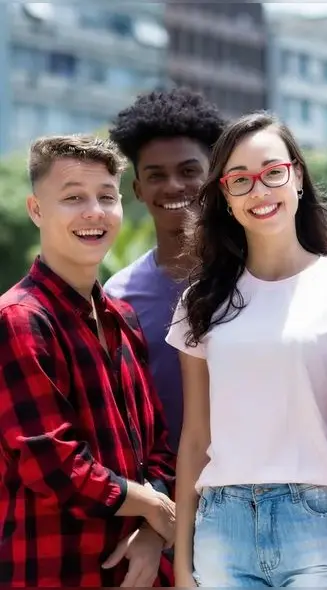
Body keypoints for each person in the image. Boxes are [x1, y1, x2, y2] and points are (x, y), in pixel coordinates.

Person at [166, 113, 327, 587]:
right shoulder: (200, 302)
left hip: (318, 525)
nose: (259, 191)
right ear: (225, 196)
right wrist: (181, 565)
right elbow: (194, 438)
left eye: (273, 172)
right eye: (240, 180)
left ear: (297, 176)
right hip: (221, 528)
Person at [0, 135, 176, 586]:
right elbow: (51, 463)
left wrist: (151, 531)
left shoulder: (123, 317)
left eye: (106, 197)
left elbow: (157, 444)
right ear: (36, 210)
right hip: (55, 570)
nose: (94, 212)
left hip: (138, 571)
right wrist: (154, 506)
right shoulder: (19, 319)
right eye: (73, 197)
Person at [105, 88, 226, 452]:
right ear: (138, 189)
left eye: (188, 171)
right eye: (156, 175)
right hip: (161, 483)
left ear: (214, 177)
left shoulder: (258, 276)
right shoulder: (118, 297)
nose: (173, 185)